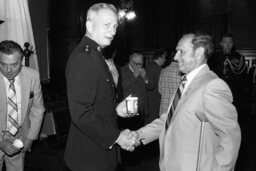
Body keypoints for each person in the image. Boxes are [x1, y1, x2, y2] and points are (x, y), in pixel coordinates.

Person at [136, 33, 241, 171]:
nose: (175, 57)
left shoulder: (213, 85)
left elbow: (230, 137)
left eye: (181, 52)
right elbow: (168, 120)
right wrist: (137, 136)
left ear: (199, 52)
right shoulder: (185, 81)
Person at [64, 3, 137, 171]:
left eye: (114, 26)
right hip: (90, 156)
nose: (113, 31)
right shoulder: (85, 57)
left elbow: (98, 102)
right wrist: (118, 137)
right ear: (89, 26)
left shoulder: (95, 54)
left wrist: (116, 109)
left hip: (97, 151)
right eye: (106, 25)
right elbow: (81, 114)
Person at [0, 40, 45, 171]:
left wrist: (31, 138)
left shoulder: (32, 76)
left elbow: (38, 109)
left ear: (21, 61)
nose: (8, 70)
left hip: (20, 137)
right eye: (3, 64)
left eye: (14, 65)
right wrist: (1, 142)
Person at [208, 33, 248, 113]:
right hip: (218, 90)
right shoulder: (214, 57)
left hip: (234, 91)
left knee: (233, 112)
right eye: (225, 42)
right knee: (219, 112)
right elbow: (209, 73)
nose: (227, 45)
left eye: (230, 42)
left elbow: (243, 76)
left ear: (233, 44)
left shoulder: (239, 57)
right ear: (221, 44)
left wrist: (241, 90)